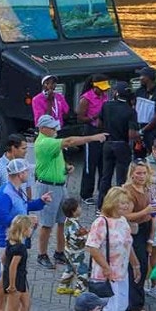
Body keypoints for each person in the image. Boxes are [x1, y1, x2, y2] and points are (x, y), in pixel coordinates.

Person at [34, 115, 106, 270]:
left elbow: (56, 158)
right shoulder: (45, 142)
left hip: (60, 185)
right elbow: (70, 141)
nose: (55, 130)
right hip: (48, 188)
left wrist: (65, 167)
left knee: (62, 221)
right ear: (42, 128)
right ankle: (42, 254)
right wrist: (93, 137)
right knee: (47, 224)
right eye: (52, 128)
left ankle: (59, 252)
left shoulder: (51, 142)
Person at [0, 159, 51, 311]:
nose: (28, 174)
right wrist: (25, 219)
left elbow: (25, 206)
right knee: (12, 277)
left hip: (16, 240)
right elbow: (0, 218)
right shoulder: (5, 193)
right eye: (25, 172)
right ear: (19, 174)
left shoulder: (17, 190)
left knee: (5, 275)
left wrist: (40, 202)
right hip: (6, 241)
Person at [86, 186, 140, 311]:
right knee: (110, 308)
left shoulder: (122, 221)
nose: (126, 205)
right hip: (106, 274)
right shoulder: (101, 222)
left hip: (121, 272)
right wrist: (106, 268)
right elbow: (92, 247)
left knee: (121, 305)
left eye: (127, 202)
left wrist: (135, 264)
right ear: (113, 202)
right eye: (122, 202)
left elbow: (128, 244)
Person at [123, 160, 156, 311]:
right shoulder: (127, 191)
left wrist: (152, 238)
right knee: (138, 265)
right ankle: (135, 305)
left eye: (144, 173)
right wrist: (145, 211)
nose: (141, 176)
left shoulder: (148, 188)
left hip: (145, 229)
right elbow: (125, 215)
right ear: (132, 174)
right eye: (138, 173)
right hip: (133, 231)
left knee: (143, 264)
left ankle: (132, 297)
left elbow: (154, 213)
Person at [0, 215, 35, 311]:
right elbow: (13, 267)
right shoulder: (20, 248)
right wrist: (12, 285)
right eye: (30, 227)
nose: (32, 230)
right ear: (24, 229)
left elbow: (3, 258)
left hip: (19, 279)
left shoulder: (10, 242)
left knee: (26, 304)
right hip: (16, 281)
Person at [97, 82, 138, 205]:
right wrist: (139, 136)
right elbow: (131, 135)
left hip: (108, 143)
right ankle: (119, 205)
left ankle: (101, 205)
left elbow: (99, 124)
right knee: (121, 178)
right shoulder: (130, 111)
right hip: (122, 145)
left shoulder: (106, 105)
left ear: (116, 93)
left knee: (105, 176)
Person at [78, 76, 111, 203]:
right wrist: (95, 117)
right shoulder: (85, 99)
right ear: (94, 86)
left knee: (103, 163)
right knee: (90, 164)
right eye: (101, 89)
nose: (103, 92)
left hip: (103, 132)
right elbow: (80, 118)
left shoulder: (104, 97)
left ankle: (102, 191)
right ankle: (86, 194)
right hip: (91, 132)